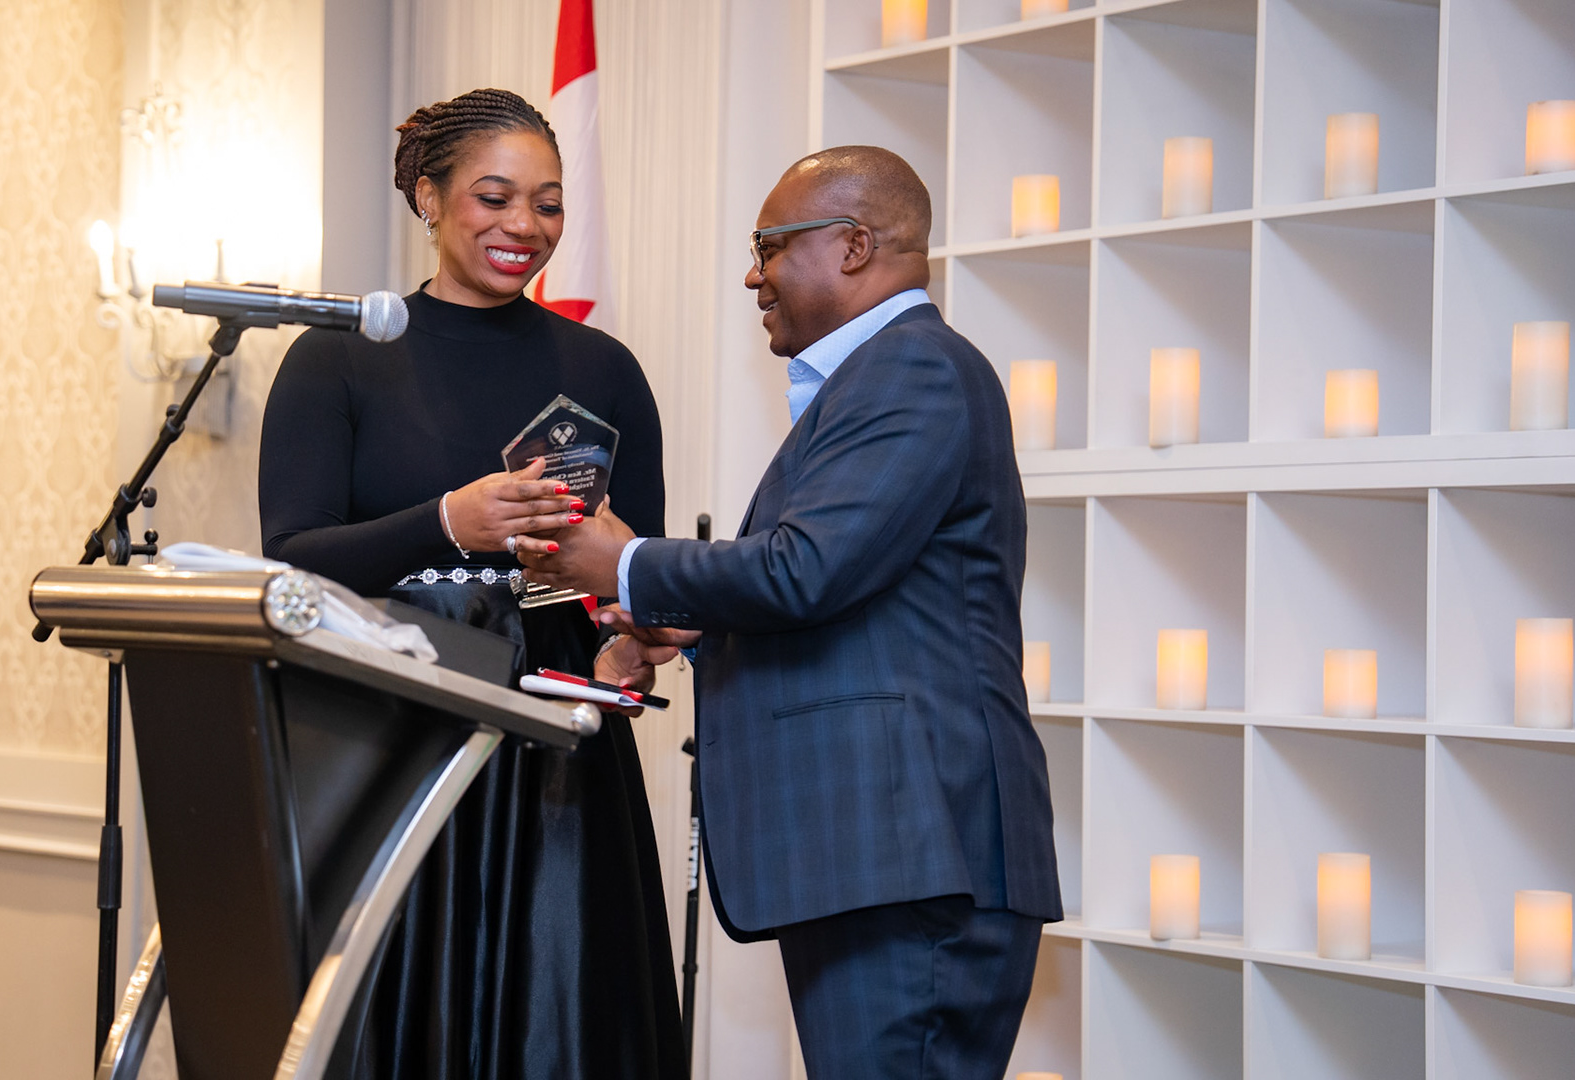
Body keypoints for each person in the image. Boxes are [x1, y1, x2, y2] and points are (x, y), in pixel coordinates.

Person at [519, 145, 1062, 1080]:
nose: (753, 274)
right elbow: (857, 594)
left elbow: (806, 569)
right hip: (882, 857)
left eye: (769, 246)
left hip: (914, 853)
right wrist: (699, 627)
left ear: (852, 245)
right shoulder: (883, 376)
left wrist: (626, 562)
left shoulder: (915, 368)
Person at [258, 88, 686, 1079]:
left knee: (560, 1023)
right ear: (429, 197)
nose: (524, 226)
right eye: (495, 198)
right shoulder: (337, 360)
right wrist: (447, 522)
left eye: (548, 203)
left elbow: (636, 574)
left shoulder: (603, 369)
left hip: (559, 752)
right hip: (390, 744)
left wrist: (634, 636)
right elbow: (292, 561)